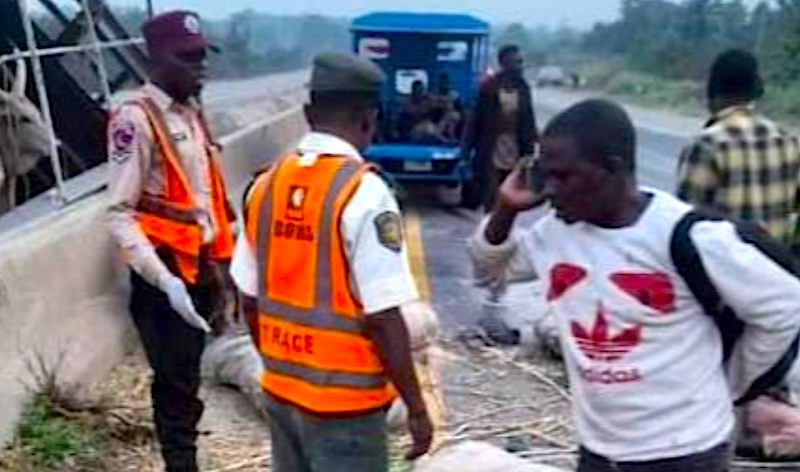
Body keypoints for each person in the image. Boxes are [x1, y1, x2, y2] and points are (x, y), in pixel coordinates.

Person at [471, 99, 800, 472]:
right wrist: (505, 209)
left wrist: (735, 382)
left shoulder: (688, 236)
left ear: (613, 168)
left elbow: (786, 307)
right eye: (545, 175)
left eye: (565, 176)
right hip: (599, 451)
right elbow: (489, 274)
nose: (550, 190)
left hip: (686, 454)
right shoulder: (556, 235)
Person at [230, 52, 433, 472]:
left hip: (282, 392)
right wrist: (415, 407)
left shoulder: (264, 186)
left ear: (307, 113)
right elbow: (382, 317)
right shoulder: (365, 193)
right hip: (346, 407)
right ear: (369, 118)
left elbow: (247, 299)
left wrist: (279, 365)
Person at [106, 11, 236, 472]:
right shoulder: (135, 120)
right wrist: (164, 280)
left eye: (203, 57)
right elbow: (119, 213)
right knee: (175, 380)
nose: (200, 67)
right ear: (153, 60)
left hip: (200, 264)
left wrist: (222, 265)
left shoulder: (192, 113)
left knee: (189, 372)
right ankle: (182, 465)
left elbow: (206, 201)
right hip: (164, 271)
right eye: (188, 58)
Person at [678, 49, 800, 251]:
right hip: (776, 273)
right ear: (756, 91)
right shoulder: (787, 141)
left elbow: (684, 225)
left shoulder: (706, 145)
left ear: (712, 91)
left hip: (725, 274)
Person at [464, 44, 538, 211]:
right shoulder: (488, 87)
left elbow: (528, 118)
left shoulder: (523, 88)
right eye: (516, 61)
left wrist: (532, 147)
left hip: (515, 146)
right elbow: (474, 121)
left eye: (521, 62)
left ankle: (504, 229)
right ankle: (489, 225)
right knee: (492, 192)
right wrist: (465, 151)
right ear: (504, 63)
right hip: (492, 146)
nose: (520, 66)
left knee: (512, 190)